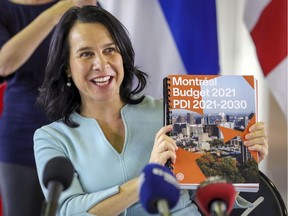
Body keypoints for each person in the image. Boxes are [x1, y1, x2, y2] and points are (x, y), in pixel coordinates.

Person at [33, 5, 269, 216]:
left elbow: (208, 195)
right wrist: (149, 178)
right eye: (86, 54)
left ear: (122, 56)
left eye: (110, 50)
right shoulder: (51, 138)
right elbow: (67, 211)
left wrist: (242, 158)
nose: (101, 64)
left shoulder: (170, 113)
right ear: (66, 68)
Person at [0, 1, 97, 216]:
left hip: (79, 134)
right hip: (22, 136)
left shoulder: (83, 4)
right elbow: (3, 64)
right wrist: (55, 12)